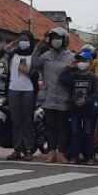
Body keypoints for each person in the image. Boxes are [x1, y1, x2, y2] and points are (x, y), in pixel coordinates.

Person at [32, 27, 74, 164]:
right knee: (49, 127)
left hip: (63, 97)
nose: (56, 41)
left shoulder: (71, 57)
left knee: (62, 127)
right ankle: (51, 153)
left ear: (65, 40)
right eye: (54, 39)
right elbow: (34, 64)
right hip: (48, 97)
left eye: (59, 39)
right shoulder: (46, 56)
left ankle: (61, 153)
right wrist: (38, 47)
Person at [60, 48, 98, 165]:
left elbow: (97, 94)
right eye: (79, 60)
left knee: (88, 133)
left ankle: (89, 156)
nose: (81, 63)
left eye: (84, 60)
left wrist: (86, 100)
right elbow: (62, 78)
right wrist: (69, 67)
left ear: (89, 62)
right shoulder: (73, 76)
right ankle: (74, 155)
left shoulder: (93, 77)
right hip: (74, 109)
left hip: (88, 109)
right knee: (75, 132)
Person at [3, 31, 37, 161]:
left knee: (27, 121)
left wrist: (27, 72)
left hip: (28, 90)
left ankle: (28, 149)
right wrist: (12, 44)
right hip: (13, 89)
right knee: (16, 121)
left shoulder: (33, 55)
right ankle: (17, 149)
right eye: (21, 40)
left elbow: (37, 74)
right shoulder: (13, 54)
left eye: (26, 40)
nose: (23, 42)